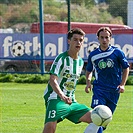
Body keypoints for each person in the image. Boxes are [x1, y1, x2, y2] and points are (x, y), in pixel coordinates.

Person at [42, 28, 100, 133]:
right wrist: (62, 96)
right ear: (69, 41)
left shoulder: (80, 62)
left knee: (97, 118)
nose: (78, 42)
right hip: (56, 99)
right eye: (75, 39)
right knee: (49, 129)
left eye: (81, 40)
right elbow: (52, 79)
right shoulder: (61, 58)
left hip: (71, 102)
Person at [85, 27, 130, 133]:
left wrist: (122, 84)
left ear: (110, 38)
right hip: (99, 90)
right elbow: (89, 71)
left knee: (104, 122)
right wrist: (88, 82)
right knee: (97, 118)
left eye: (106, 37)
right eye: (102, 37)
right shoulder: (93, 55)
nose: (104, 40)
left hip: (114, 91)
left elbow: (126, 68)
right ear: (98, 38)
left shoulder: (117, 52)